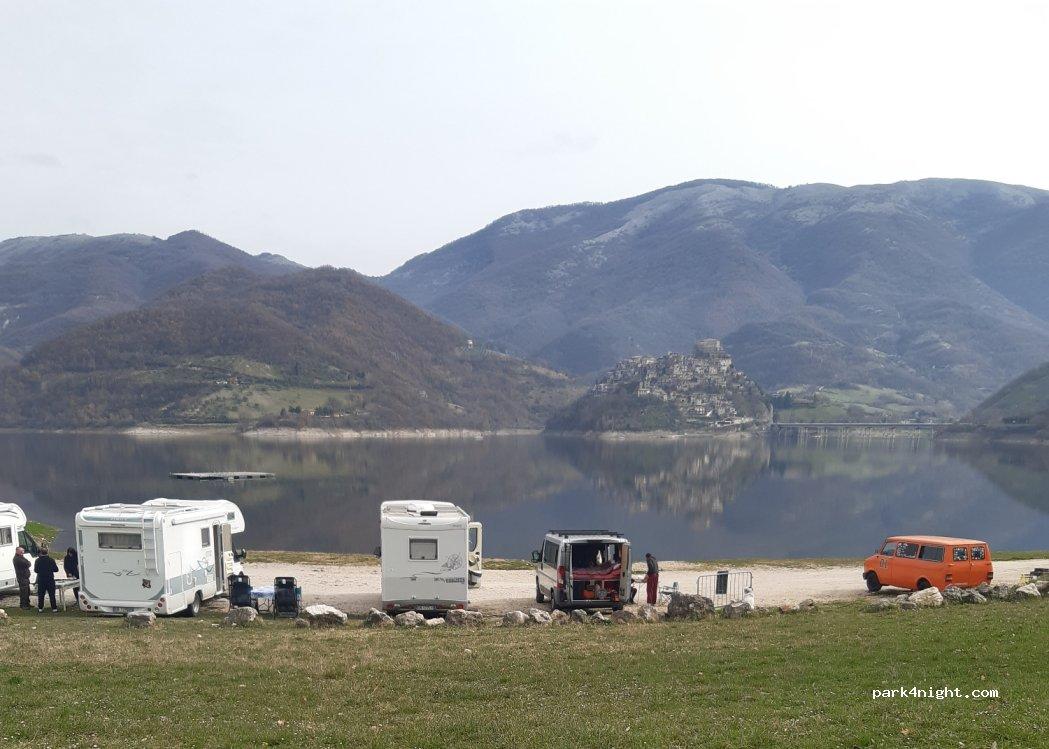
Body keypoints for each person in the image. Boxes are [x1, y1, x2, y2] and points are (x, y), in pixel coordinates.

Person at [33, 546, 59, 612]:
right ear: (47, 552)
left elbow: (36, 570)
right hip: (50, 579)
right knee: (52, 594)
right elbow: (56, 569)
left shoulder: (37, 560)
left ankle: (40, 608)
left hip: (41, 579)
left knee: (41, 594)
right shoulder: (51, 560)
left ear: (41, 553)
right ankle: (54, 608)